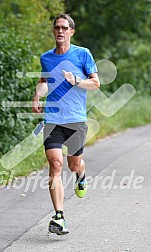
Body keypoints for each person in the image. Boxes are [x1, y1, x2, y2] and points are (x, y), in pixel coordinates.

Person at [32, 14, 100, 235]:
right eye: (57, 28)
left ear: (72, 31)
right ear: (53, 31)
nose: (60, 31)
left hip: (76, 119)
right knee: (55, 164)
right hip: (52, 119)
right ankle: (59, 216)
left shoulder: (83, 54)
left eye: (64, 27)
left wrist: (77, 81)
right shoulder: (46, 58)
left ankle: (81, 175)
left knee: (73, 165)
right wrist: (37, 96)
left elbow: (96, 84)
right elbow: (44, 82)